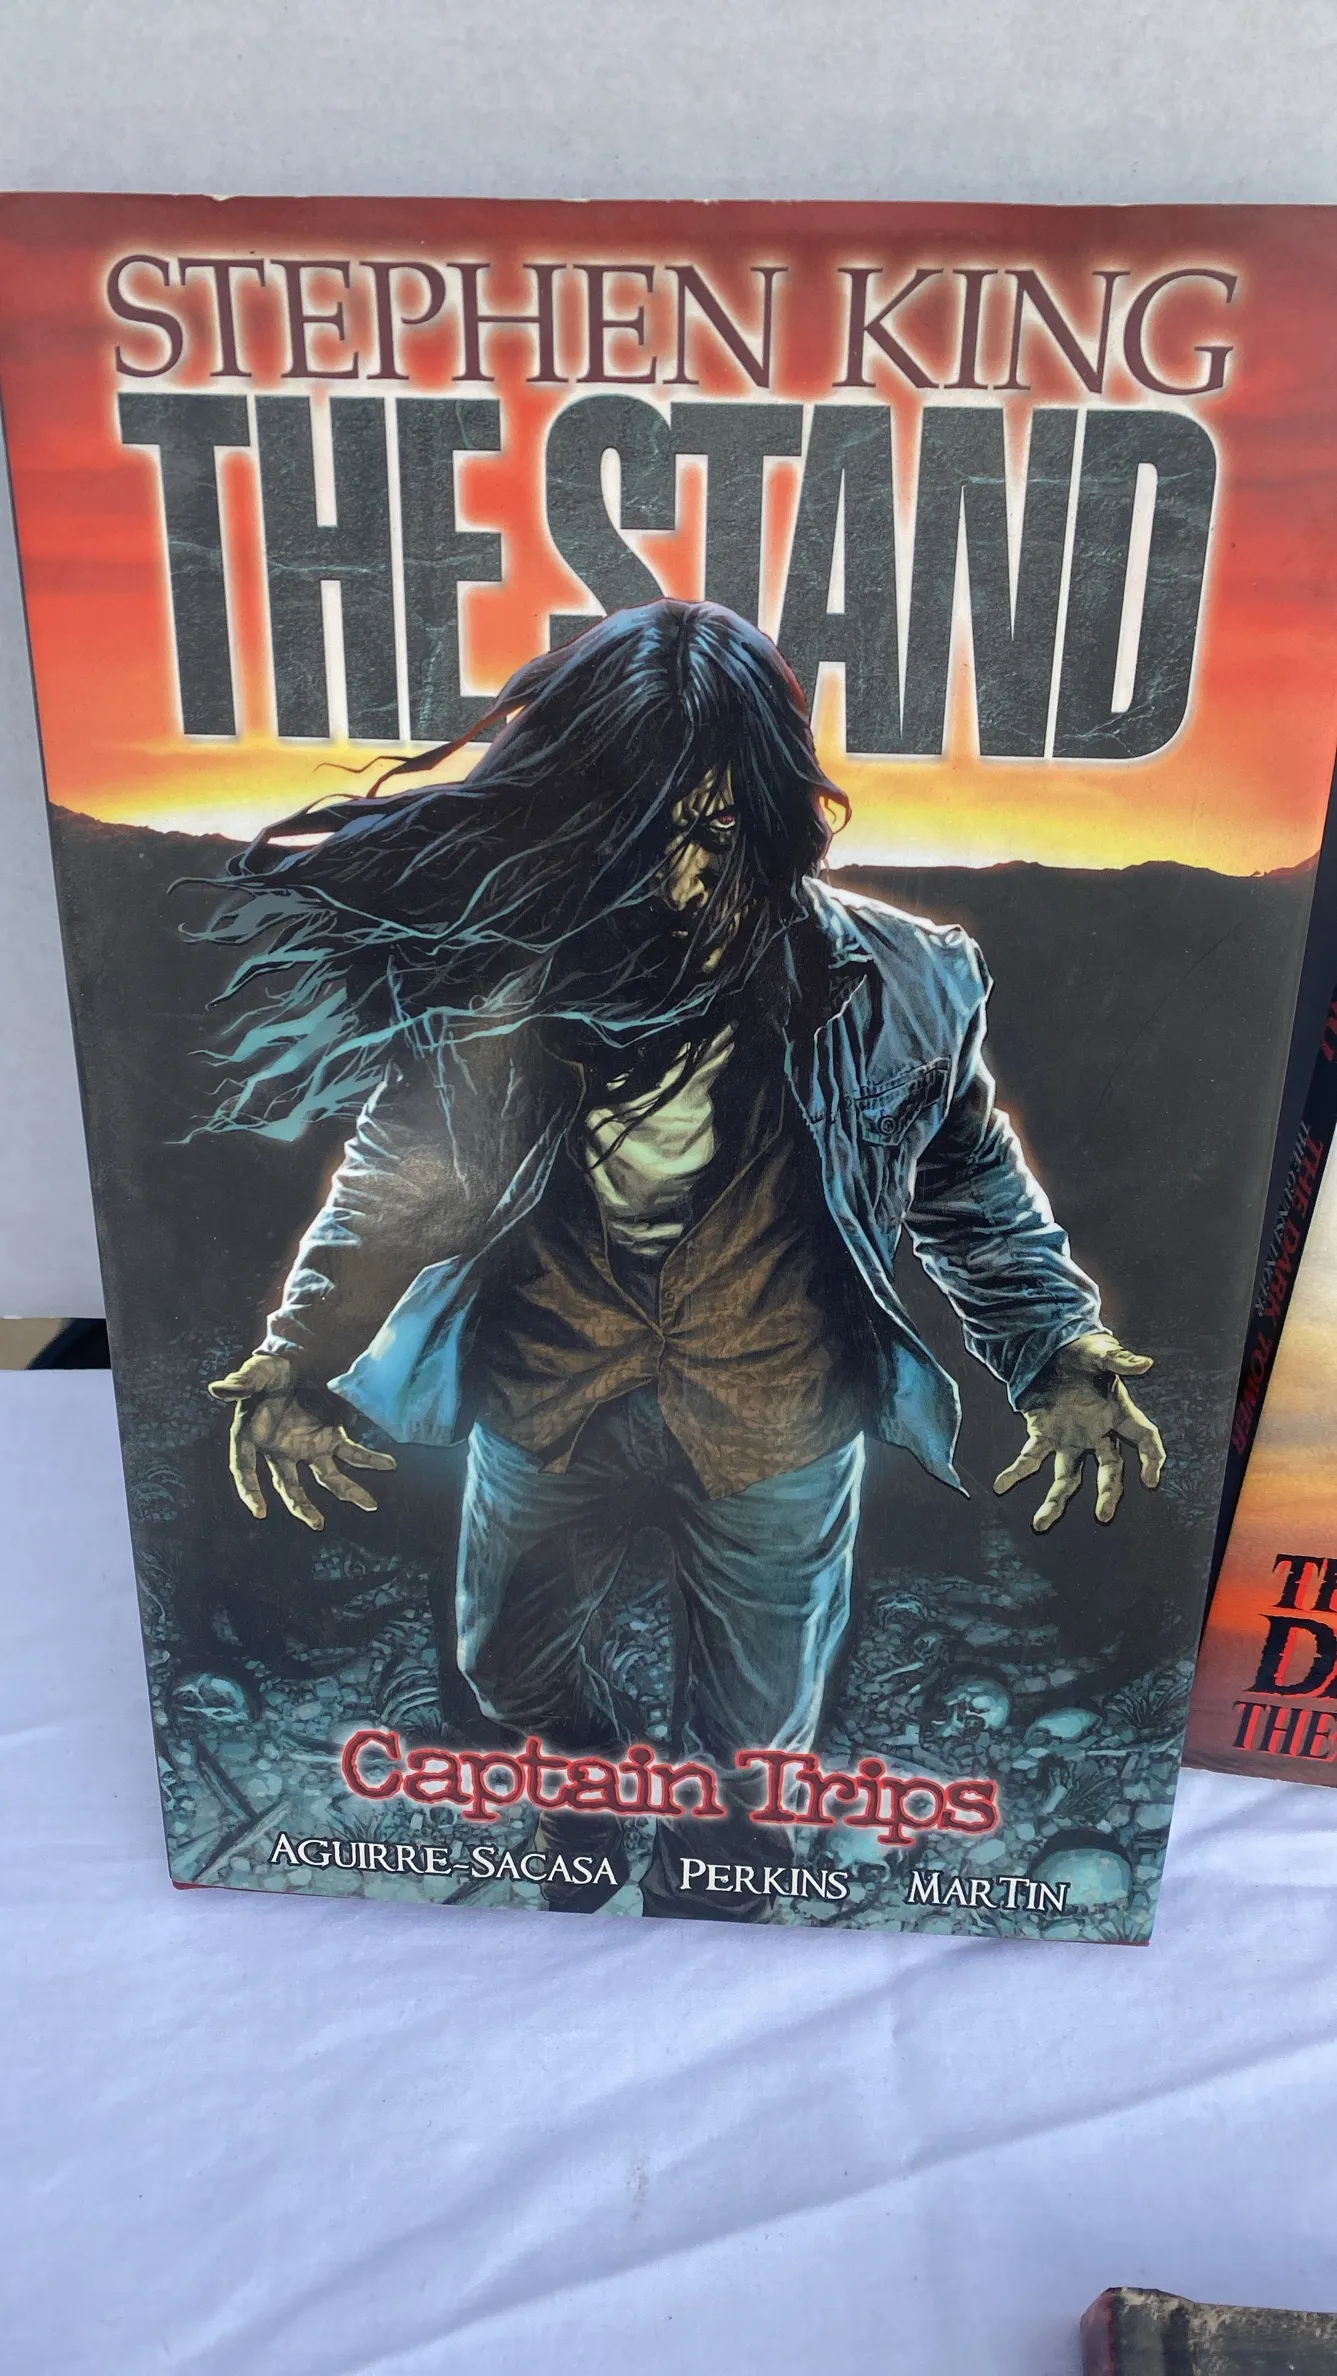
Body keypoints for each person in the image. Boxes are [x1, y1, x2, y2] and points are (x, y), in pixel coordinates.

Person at [208, 599, 1164, 1919]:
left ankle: (717, 1878)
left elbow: (967, 1185)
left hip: (779, 1411)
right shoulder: (501, 982)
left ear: (776, 818)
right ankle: (591, 1776)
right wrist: (301, 1354)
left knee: (757, 1741)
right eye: (636, 833)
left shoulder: (907, 983)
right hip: (550, 1386)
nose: (679, 883)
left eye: (715, 834)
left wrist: (1052, 1345)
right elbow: (398, 1183)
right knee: (504, 1666)